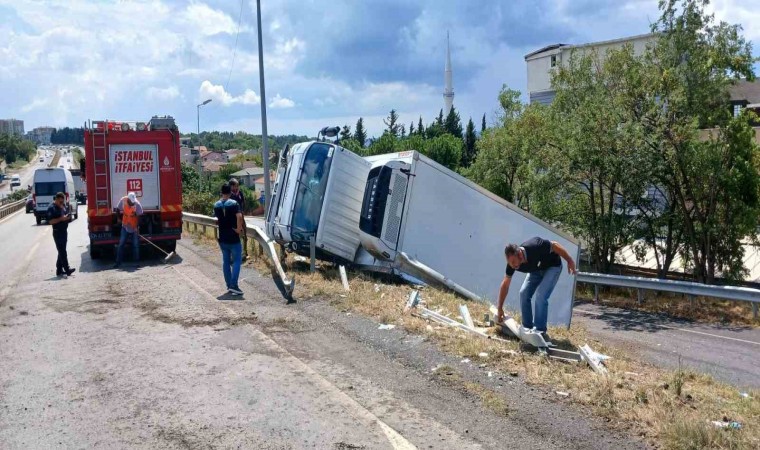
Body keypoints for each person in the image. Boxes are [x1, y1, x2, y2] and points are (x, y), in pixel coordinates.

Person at [496, 236, 576, 342]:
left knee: (541, 295)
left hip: (552, 267)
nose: (513, 266)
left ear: (520, 254)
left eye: (514, 262)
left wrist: (569, 260)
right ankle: (527, 328)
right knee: (523, 293)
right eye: (510, 263)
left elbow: (554, 245)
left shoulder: (535, 245)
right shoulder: (512, 264)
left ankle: (540, 332)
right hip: (536, 270)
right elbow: (505, 284)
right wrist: (500, 307)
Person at [214, 183, 244, 296]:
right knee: (236, 261)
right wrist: (238, 229)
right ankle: (234, 285)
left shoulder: (216, 205)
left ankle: (229, 285)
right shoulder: (234, 203)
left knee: (226, 262)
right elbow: (239, 216)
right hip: (233, 237)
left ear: (221, 193)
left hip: (222, 238)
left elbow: (217, 219)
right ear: (230, 192)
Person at [47, 192, 75, 278]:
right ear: (56, 199)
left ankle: (59, 270)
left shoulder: (63, 206)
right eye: (60, 202)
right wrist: (61, 219)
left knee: (61, 251)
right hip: (57, 232)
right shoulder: (51, 208)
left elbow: (65, 215)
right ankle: (67, 269)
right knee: (63, 251)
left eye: (62, 202)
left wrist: (68, 217)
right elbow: (51, 221)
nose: (61, 203)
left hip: (64, 231)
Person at [114, 192, 143, 268]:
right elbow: (117, 209)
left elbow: (140, 216)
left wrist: (137, 227)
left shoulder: (137, 204)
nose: (132, 203)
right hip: (125, 225)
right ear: (128, 199)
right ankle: (118, 263)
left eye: (133, 201)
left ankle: (137, 263)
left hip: (134, 227)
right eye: (131, 201)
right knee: (121, 244)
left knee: (135, 245)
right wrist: (118, 218)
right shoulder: (123, 200)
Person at [228, 178, 248, 261]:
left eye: (237, 185)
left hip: (241, 216)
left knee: (244, 235)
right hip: (232, 218)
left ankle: (245, 253)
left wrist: (243, 211)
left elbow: (243, 202)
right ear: (231, 186)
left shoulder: (239, 193)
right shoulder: (229, 194)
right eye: (235, 186)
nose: (237, 187)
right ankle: (233, 255)